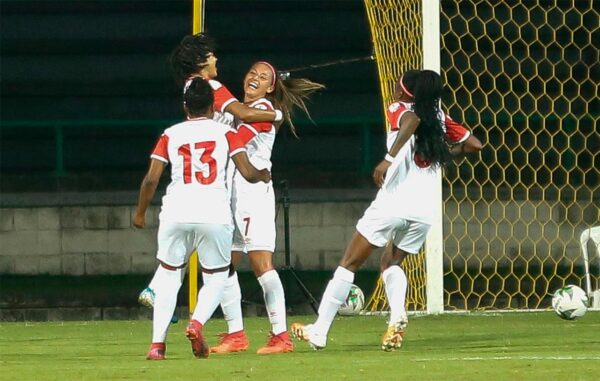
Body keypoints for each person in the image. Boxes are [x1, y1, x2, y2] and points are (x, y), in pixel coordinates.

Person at [290, 70, 483, 351]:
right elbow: (473, 144)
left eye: (398, 84)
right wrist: (443, 155)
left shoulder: (401, 108)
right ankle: (397, 317)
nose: (394, 87)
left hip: (392, 203)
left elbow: (411, 120)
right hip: (423, 210)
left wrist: (387, 160)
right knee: (390, 263)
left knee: (348, 264)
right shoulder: (440, 118)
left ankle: (319, 331)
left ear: (406, 92)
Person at [137, 32, 285, 310]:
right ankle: (234, 327)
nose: (216, 58)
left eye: (262, 76)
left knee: (211, 251)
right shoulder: (210, 87)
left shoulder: (189, 88)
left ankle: (161, 289)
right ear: (202, 60)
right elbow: (245, 114)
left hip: (211, 181)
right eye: (212, 54)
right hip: (224, 182)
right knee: (222, 260)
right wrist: (277, 115)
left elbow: (151, 178)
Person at [133, 77, 271, 360]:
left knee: (170, 278)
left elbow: (151, 179)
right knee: (217, 278)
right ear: (212, 106)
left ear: (185, 106)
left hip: (175, 212)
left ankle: (157, 346)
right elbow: (246, 171)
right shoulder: (226, 133)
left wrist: (140, 212)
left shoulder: (170, 133)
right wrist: (262, 175)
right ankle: (196, 324)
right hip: (213, 213)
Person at [209, 61, 324, 355]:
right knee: (223, 265)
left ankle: (281, 336)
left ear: (270, 87)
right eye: (251, 73)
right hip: (230, 196)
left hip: (252, 196)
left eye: (262, 77)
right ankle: (236, 334)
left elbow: (233, 143)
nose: (254, 78)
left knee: (261, 265)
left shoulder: (261, 110)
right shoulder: (237, 109)